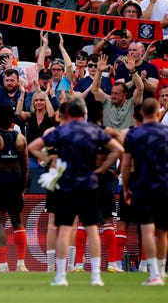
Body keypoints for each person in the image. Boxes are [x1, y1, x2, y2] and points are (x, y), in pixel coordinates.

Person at [29, 97, 124, 287]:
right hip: (89, 184)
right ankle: (96, 276)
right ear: (84, 113)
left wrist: (49, 161)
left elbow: (33, 147)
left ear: (68, 114)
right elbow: (119, 149)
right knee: (92, 228)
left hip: (66, 184)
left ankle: (61, 276)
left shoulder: (60, 131)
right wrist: (103, 166)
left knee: (64, 229)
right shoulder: (94, 130)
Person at [122, 98, 168, 286]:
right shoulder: (166, 133)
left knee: (147, 230)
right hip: (164, 186)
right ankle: (162, 271)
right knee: (163, 231)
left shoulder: (134, 135)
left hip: (142, 185)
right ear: (158, 112)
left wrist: (125, 187)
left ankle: (154, 274)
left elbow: (125, 164)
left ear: (141, 114)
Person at [0, 106, 29, 273]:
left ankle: (3, 265)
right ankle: (21, 264)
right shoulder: (21, 139)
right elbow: (25, 168)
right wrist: (22, 189)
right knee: (18, 222)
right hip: (15, 183)